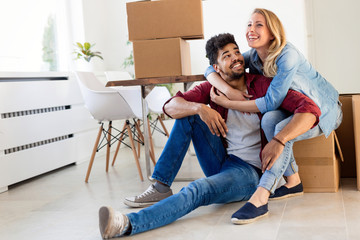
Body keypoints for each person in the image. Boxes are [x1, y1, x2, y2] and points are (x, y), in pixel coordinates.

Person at [98, 33, 321, 238]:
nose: (236, 58)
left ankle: (126, 224)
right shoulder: (211, 88)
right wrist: (200, 108)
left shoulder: (263, 86)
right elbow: (170, 106)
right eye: (227, 55)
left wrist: (279, 139)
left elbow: (309, 108)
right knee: (189, 114)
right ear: (216, 67)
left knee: (197, 188)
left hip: (249, 173)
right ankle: (160, 187)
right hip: (222, 160)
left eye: (236, 51)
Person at [205, 8, 342, 201]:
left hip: (322, 111)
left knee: (279, 128)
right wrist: (228, 91)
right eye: (249, 24)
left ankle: (264, 190)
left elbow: (270, 102)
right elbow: (211, 67)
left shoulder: (288, 56)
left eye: (259, 25)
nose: (251, 29)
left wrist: (229, 103)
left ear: (272, 33)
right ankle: (294, 182)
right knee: (269, 120)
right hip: (292, 109)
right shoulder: (253, 55)